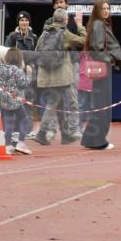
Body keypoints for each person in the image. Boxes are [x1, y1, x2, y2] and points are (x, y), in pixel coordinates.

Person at [31, 9, 85, 145]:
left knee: (59, 102)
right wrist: (80, 26)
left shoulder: (44, 33)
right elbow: (83, 41)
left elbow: (37, 51)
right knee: (53, 102)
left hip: (46, 73)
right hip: (60, 75)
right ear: (65, 20)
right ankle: (42, 132)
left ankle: (65, 134)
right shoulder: (64, 33)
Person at [80, 0, 121, 151]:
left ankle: (90, 139)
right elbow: (98, 48)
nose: (106, 11)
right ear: (97, 10)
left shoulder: (98, 24)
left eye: (108, 8)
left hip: (100, 69)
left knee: (99, 104)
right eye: (103, 8)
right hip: (103, 68)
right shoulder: (99, 24)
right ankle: (98, 141)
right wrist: (110, 60)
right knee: (103, 106)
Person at [0, 48, 33, 155]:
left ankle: (8, 145)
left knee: (8, 123)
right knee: (25, 119)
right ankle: (21, 142)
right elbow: (23, 83)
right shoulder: (17, 70)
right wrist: (29, 74)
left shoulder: (1, 69)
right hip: (17, 101)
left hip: (5, 100)